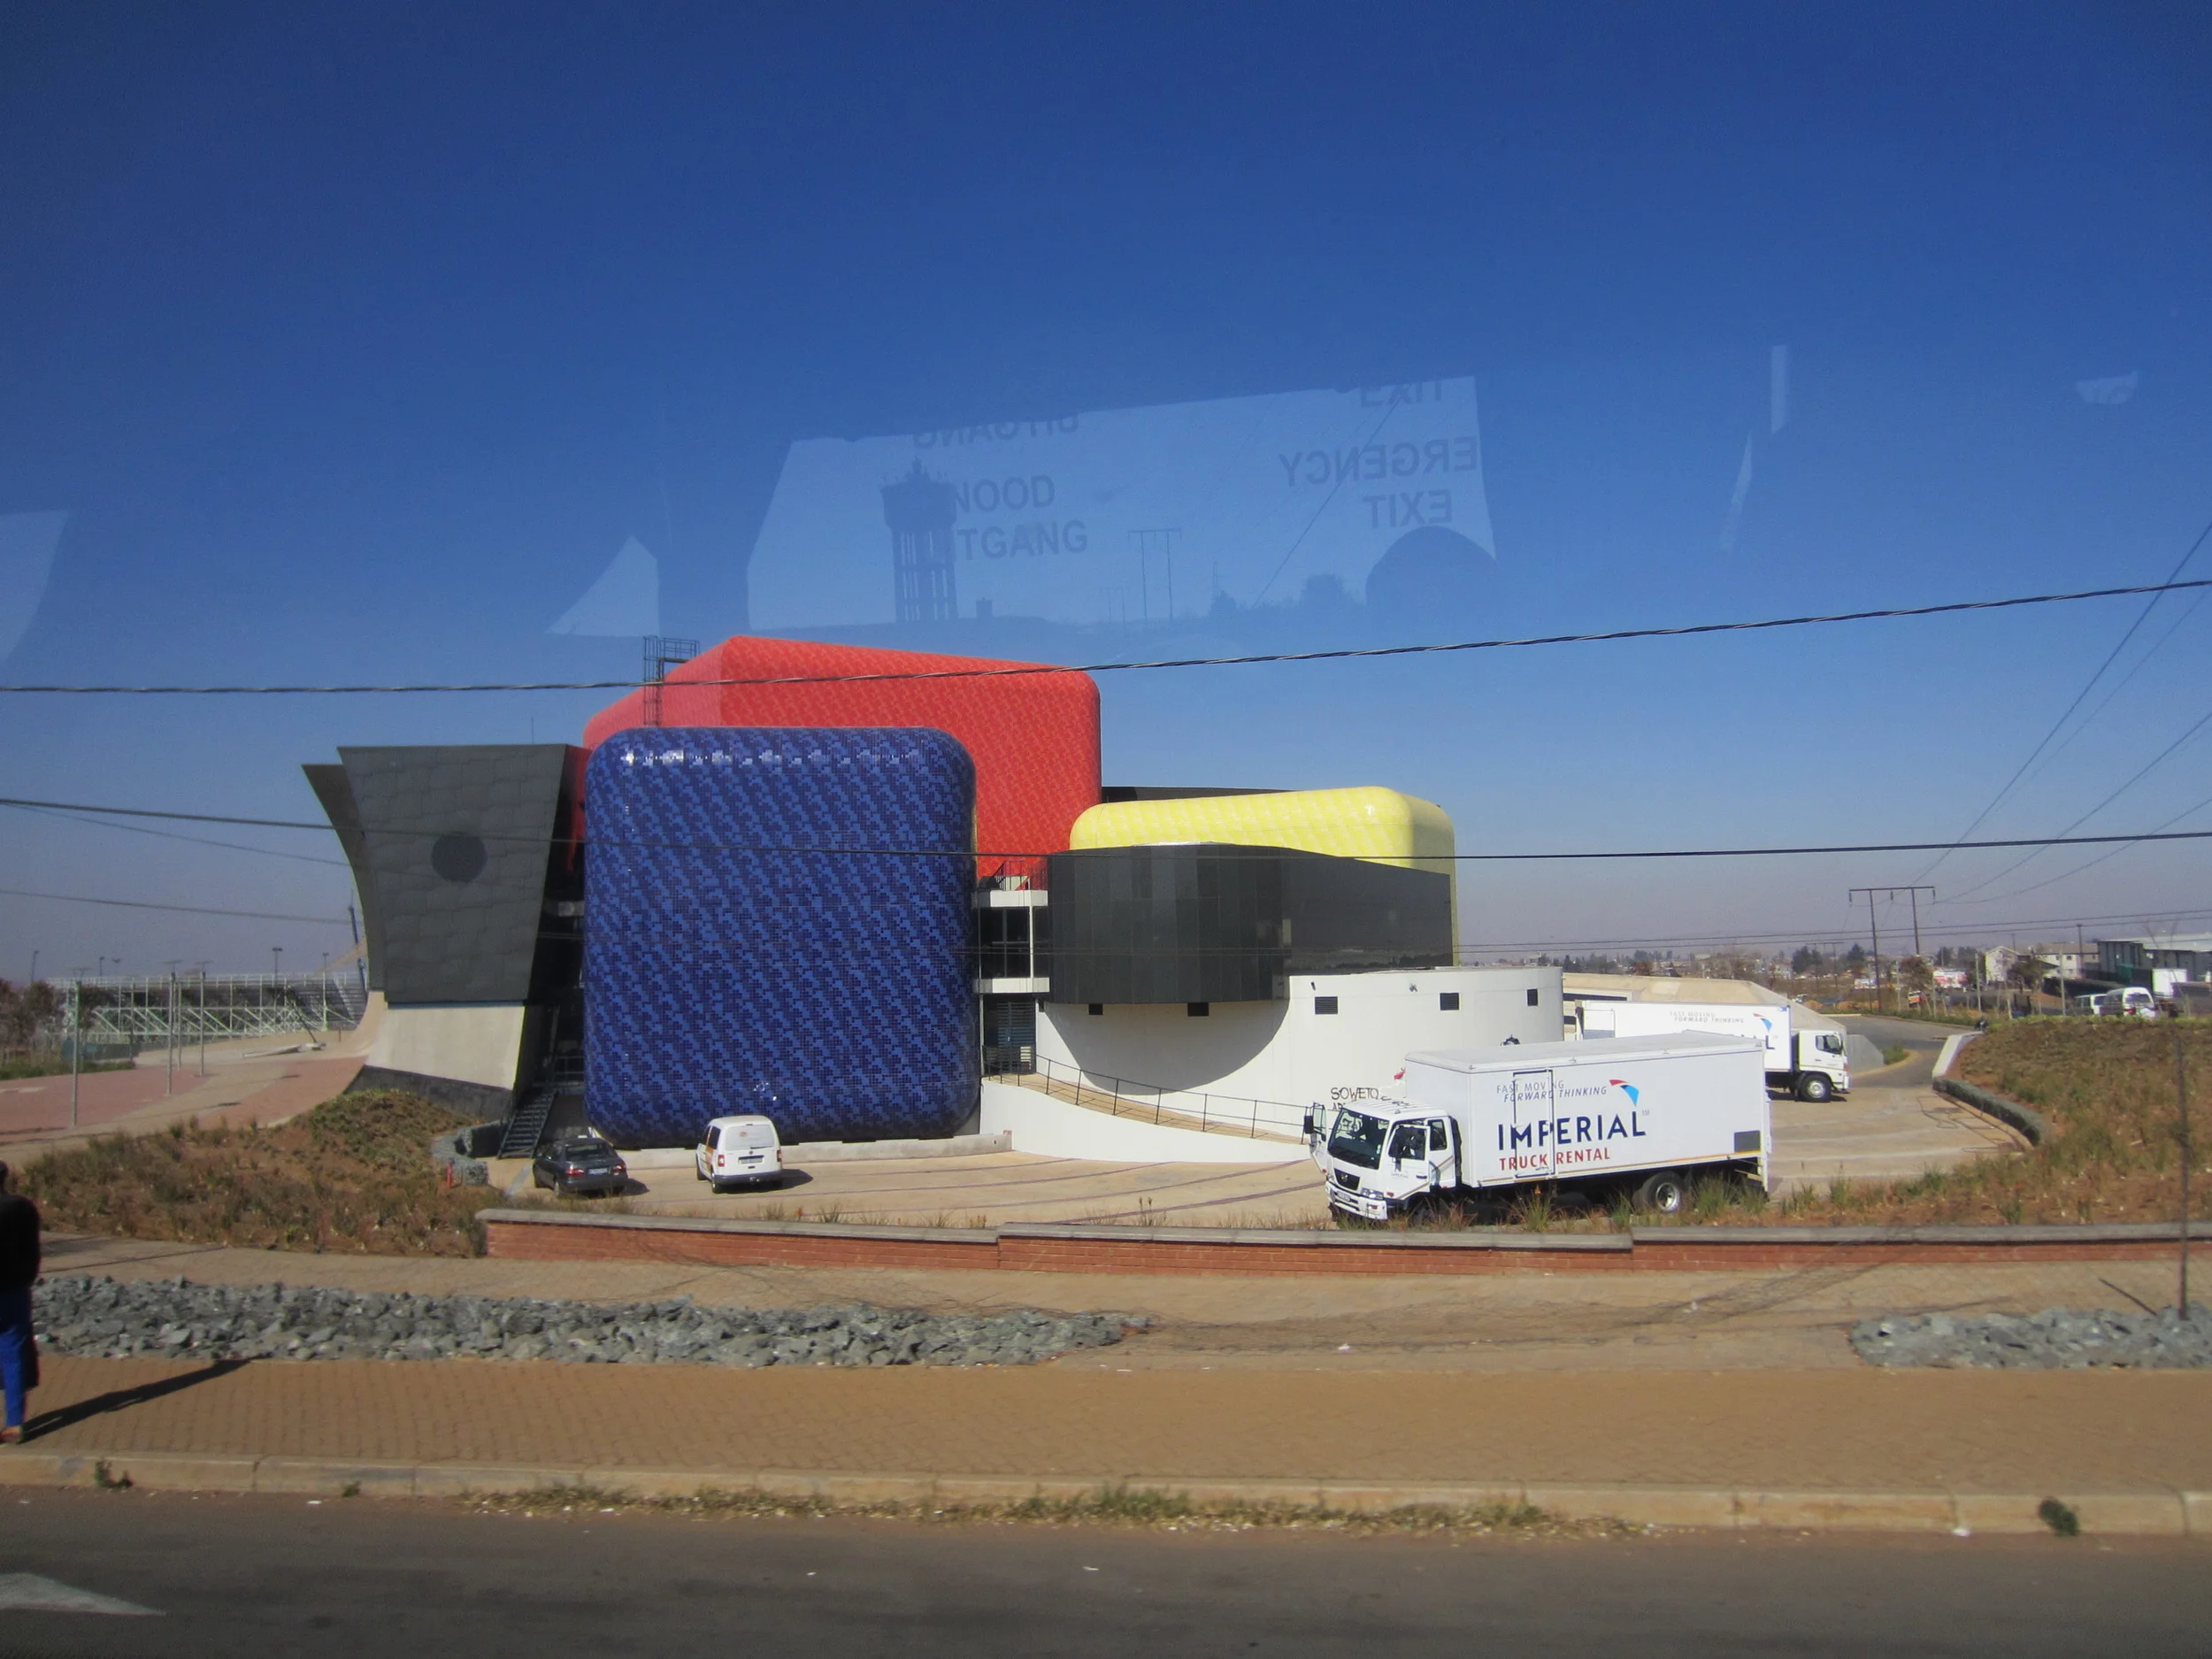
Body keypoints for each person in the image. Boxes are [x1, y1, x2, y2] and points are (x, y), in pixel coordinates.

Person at [0, 1160, 39, 1444]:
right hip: (14, 1290)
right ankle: (14, 1422)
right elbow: (33, 1252)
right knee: (13, 1355)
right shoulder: (23, 1208)